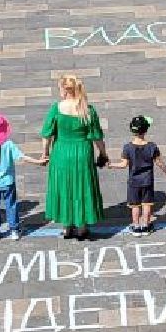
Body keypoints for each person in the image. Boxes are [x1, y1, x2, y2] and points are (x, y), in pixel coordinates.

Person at [41, 74, 108, 241]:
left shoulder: (56, 109)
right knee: (82, 186)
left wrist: (45, 153)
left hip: (61, 152)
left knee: (64, 186)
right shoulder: (87, 109)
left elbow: (47, 135)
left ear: (64, 89)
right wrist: (103, 154)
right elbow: (97, 137)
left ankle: (66, 226)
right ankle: (82, 227)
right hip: (82, 152)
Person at [0, 112, 40, 240]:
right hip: (8, 182)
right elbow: (22, 157)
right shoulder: (8, 145)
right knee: (11, 205)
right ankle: (14, 230)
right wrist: (38, 161)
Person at [121, 115, 165, 235]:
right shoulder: (152, 146)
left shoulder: (127, 147)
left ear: (132, 130)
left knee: (135, 205)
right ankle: (146, 226)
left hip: (133, 182)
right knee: (147, 204)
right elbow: (159, 163)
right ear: (146, 130)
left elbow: (123, 164)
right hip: (147, 180)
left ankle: (136, 227)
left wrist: (111, 165)